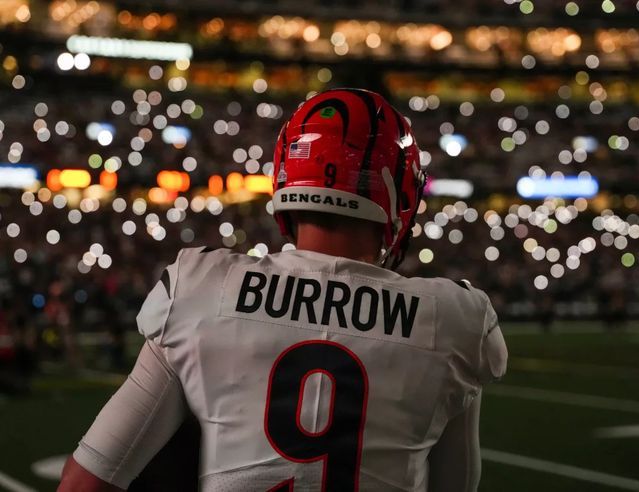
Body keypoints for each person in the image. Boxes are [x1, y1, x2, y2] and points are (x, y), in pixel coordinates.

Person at [58, 88, 507, 492]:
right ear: (399, 192)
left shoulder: (200, 288)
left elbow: (86, 482)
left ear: (286, 180)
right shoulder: (453, 321)